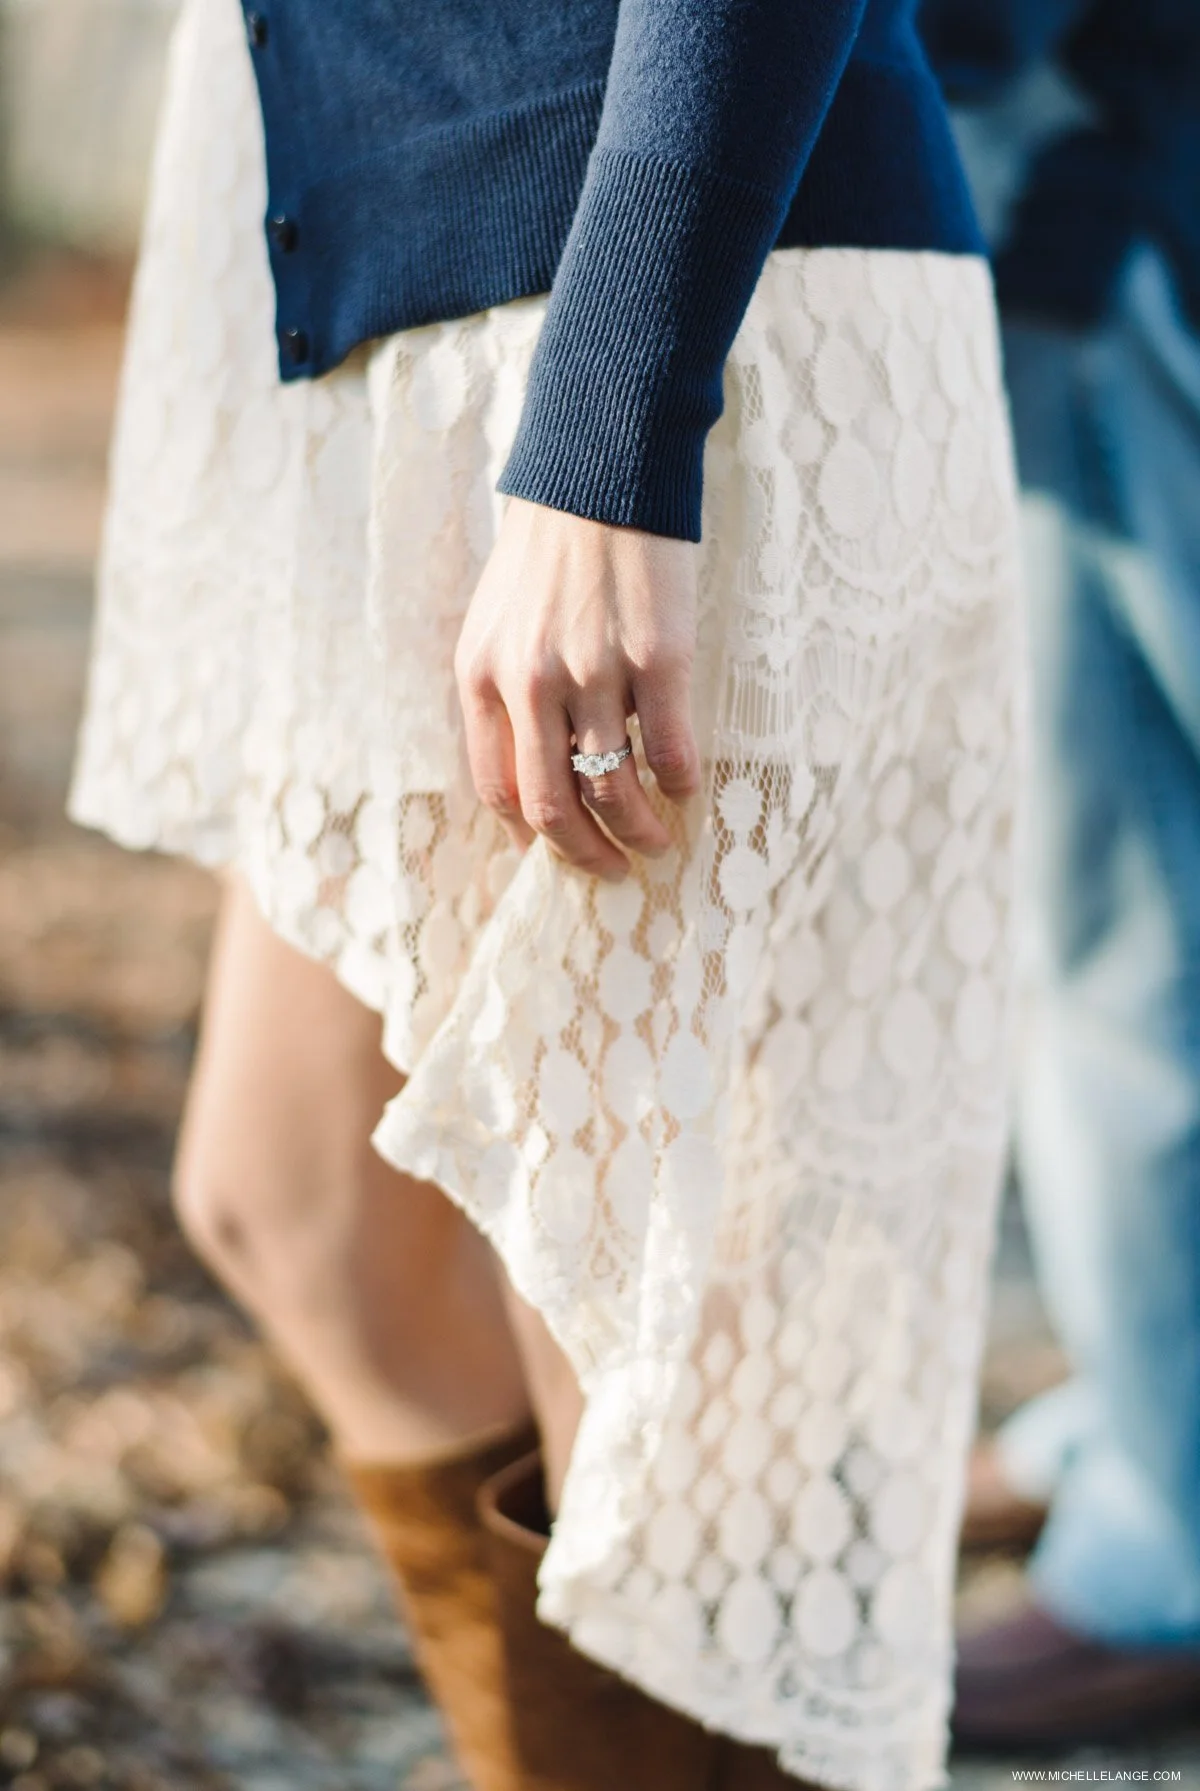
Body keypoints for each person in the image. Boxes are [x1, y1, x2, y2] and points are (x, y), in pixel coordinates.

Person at [68, 0, 1023, 1785]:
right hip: (378, 305)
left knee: (641, 1379)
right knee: (298, 1210)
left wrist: (611, 425)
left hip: (632, 319)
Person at [921, 0, 1200, 1749]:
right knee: (1099, 884)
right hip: (1074, 158)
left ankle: (1166, 1547)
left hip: (1114, 171)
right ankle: (1147, 1421)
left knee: (1130, 914)